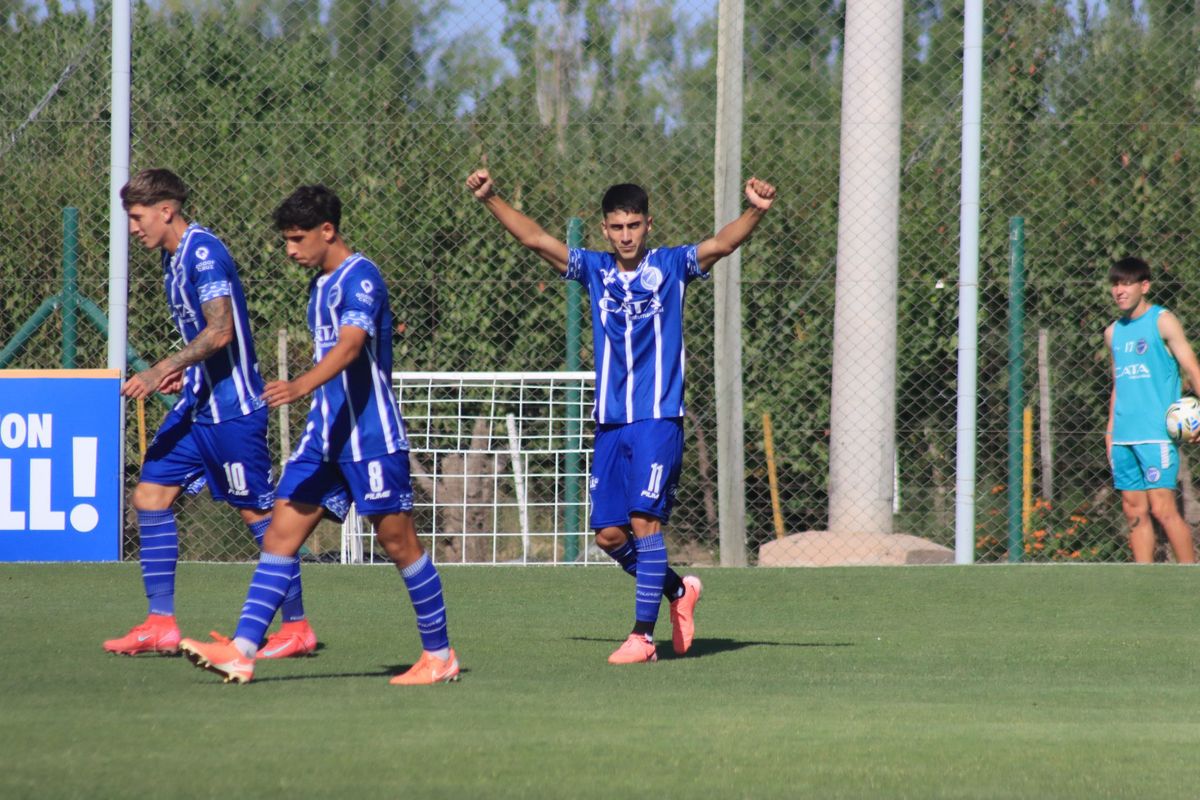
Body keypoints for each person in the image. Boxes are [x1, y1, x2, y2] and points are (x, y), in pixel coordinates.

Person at [467, 168, 776, 663]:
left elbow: (721, 244)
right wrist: (491, 198)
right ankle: (679, 591)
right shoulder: (594, 269)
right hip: (610, 422)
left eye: (634, 225)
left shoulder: (673, 266)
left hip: (657, 419)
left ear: (648, 226)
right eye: (617, 227)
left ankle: (642, 637)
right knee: (609, 535)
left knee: (644, 522)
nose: (626, 235)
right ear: (605, 229)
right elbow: (535, 239)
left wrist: (755, 213)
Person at [179, 184, 459, 685]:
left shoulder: (362, 278)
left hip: (370, 439)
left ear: (327, 231)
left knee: (400, 546)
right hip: (322, 440)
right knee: (281, 536)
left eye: (296, 238)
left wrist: (299, 386)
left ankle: (439, 656)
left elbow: (351, 347)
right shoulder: (319, 286)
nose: (290, 249)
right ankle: (242, 650)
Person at [104, 168, 320, 659]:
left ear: (166, 210)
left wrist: (162, 368)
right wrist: (186, 371)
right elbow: (208, 339)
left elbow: (221, 330)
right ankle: (160, 623)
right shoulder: (172, 259)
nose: (134, 228)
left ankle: (298, 627)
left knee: (262, 516)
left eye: (138, 217)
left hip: (233, 412)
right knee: (151, 495)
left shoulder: (203, 253)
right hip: (198, 405)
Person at [1105, 256, 1200, 563]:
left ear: (1144, 286)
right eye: (1115, 284)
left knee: (1163, 508)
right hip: (1123, 435)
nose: (1120, 290)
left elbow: (1192, 368)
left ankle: (1189, 577)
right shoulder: (1113, 333)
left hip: (1156, 433)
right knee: (1133, 510)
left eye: (1127, 284)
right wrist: (1110, 432)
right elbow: (1118, 385)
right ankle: (1143, 584)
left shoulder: (1162, 321)